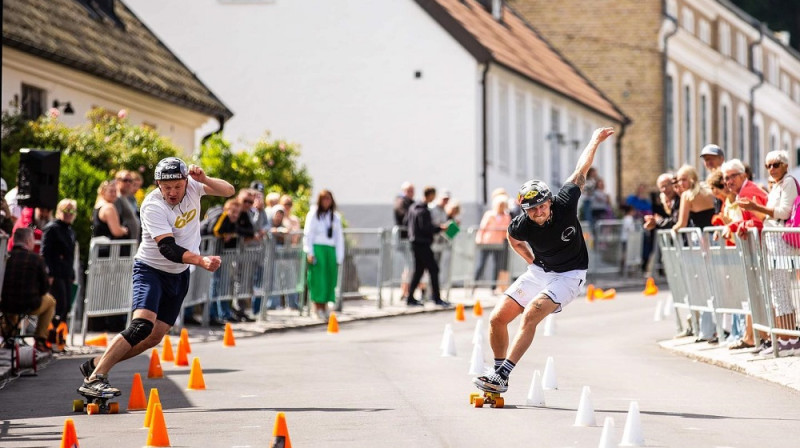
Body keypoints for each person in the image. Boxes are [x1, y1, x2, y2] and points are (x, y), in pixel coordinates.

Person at [473, 127, 614, 393]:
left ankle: (503, 374)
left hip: (571, 274)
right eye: (532, 209)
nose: (539, 212)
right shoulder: (520, 225)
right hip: (540, 271)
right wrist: (530, 260)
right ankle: (498, 371)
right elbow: (512, 239)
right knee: (497, 318)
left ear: (549, 201)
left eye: (542, 205)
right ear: (525, 209)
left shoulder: (564, 202)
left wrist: (594, 139)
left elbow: (581, 169)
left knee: (531, 314)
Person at [77, 157, 232, 398]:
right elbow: (168, 249)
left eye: (177, 186)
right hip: (151, 269)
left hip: (178, 274)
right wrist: (201, 260)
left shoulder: (193, 186)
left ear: (186, 181)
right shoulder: (152, 206)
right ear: (158, 184)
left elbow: (228, 191)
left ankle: (97, 363)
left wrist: (205, 179)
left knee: (154, 337)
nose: (172, 192)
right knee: (142, 325)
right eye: (166, 187)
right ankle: (96, 378)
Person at [737, 150, 800, 355]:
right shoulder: (776, 186)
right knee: (776, 291)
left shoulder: (788, 182)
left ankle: (790, 338)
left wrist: (757, 207)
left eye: (775, 164)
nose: (771, 169)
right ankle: (785, 337)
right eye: (768, 166)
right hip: (773, 242)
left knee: (781, 290)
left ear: (785, 165)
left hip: (782, 242)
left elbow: (784, 212)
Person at [0, 228, 57, 352]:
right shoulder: (36, 259)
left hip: (6, 304)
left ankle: (9, 337)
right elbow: (45, 287)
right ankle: (40, 339)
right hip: (30, 304)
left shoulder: (5, 258)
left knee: (9, 307)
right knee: (51, 301)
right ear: (28, 240)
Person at [403, 186, 451, 307]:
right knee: (434, 269)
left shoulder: (413, 207)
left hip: (415, 242)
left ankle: (410, 298)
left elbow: (405, 222)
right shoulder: (423, 210)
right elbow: (426, 228)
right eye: (433, 196)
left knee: (418, 271)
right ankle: (436, 298)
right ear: (430, 195)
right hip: (422, 243)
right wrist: (440, 228)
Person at [304, 190, 344, 319]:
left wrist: (339, 255)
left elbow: (339, 237)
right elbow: (308, 234)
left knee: (329, 279)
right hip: (318, 249)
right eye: (324, 199)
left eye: (328, 199)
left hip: (330, 250)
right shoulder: (314, 214)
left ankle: (326, 305)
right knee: (318, 279)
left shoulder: (335, 217)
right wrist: (309, 251)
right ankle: (317, 307)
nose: (326, 202)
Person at [41, 199, 77, 334]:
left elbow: (70, 254)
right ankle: (49, 335)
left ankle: (59, 336)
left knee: (67, 305)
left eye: (72, 211)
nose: (69, 214)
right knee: (59, 305)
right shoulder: (52, 228)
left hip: (66, 272)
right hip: (55, 272)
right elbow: (45, 252)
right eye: (66, 210)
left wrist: (72, 273)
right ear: (59, 211)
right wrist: (49, 273)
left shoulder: (71, 231)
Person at [473, 194, 512, 293]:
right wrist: (479, 239)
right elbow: (482, 227)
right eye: (500, 205)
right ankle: (474, 285)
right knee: (481, 264)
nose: (501, 207)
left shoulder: (507, 216)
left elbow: (506, 230)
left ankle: (493, 288)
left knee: (497, 265)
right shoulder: (489, 214)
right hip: (487, 242)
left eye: (503, 205)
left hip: (498, 243)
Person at [672, 165, 716, 231]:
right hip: (715, 235)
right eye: (679, 180)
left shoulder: (687, 196)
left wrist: (673, 230)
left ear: (692, 178)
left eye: (684, 180)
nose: (681, 183)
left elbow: (682, 223)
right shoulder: (709, 191)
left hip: (700, 236)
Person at [92, 180, 130, 257]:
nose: (114, 194)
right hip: (111, 254)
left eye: (115, 191)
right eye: (111, 191)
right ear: (103, 192)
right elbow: (116, 231)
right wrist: (124, 230)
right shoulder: (109, 207)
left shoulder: (97, 206)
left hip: (100, 251)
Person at [394, 182, 415, 297]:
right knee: (409, 265)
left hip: (410, 238)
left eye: (412, 191)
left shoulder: (411, 203)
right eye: (409, 191)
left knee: (410, 266)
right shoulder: (401, 202)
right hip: (404, 238)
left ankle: (407, 290)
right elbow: (405, 217)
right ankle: (405, 291)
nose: (411, 193)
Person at [114, 170, 141, 243]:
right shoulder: (116, 198)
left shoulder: (127, 198)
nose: (128, 183)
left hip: (132, 243)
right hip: (122, 244)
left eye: (130, 181)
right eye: (125, 180)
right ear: (117, 181)